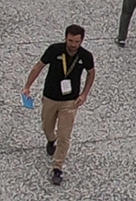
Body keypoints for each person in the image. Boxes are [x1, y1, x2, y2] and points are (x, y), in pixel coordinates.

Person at [22, 25, 95, 187]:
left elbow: (91, 72)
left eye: (77, 41)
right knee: (46, 126)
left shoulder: (86, 56)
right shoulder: (54, 50)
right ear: (65, 38)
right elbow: (38, 67)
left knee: (65, 136)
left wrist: (84, 94)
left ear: (82, 40)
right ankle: (50, 139)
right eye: (70, 40)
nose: (73, 44)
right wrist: (27, 86)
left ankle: (57, 168)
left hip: (70, 101)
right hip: (50, 97)